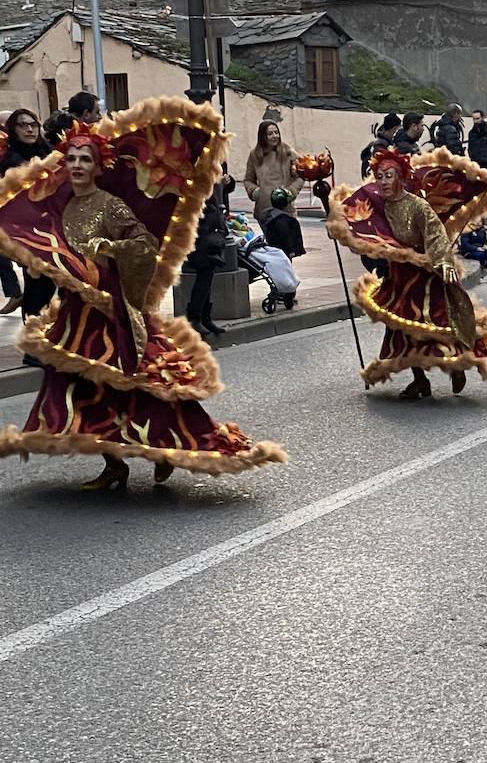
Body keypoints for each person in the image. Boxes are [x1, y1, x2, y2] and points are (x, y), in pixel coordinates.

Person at [0, 107, 286, 487]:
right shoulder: (63, 204)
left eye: (86, 159)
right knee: (77, 384)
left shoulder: (109, 205)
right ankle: (113, 464)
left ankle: (165, 447)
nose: (78, 165)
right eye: (72, 159)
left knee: (141, 383)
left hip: (113, 307)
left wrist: (110, 247)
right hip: (77, 311)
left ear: (98, 165)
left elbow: (143, 243)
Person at [326, 148, 487, 398]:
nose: (384, 181)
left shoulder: (418, 206)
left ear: (400, 177)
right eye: (379, 176)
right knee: (401, 329)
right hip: (399, 276)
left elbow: (436, 235)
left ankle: (457, 363)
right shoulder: (376, 203)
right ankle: (420, 380)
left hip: (426, 276)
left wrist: (444, 263)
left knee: (437, 325)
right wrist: (325, 200)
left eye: (389, 176)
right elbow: (354, 224)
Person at [0, 109, 55, 318]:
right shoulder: (12, 161)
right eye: (23, 125)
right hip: (28, 234)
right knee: (38, 287)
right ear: (13, 130)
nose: (30, 129)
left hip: (52, 229)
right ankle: (34, 339)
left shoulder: (46, 151)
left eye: (33, 124)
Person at [184, 191, 229, 338]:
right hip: (200, 239)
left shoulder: (209, 186)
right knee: (204, 278)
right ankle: (195, 317)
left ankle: (204, 317)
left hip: (208, 238)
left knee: (207, 277)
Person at [244, 121, 298, 222]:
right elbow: (248, 180)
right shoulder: (255, 154)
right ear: (262, 136)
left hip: (286, 210)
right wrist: (255, 192)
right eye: (270, 134)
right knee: (271, 238)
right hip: (264, 210)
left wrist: (291, 192)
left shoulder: (288, 152)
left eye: (276, 132)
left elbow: (300, 175)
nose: (275, 136)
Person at [263, 187, 306, 259]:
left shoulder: (273, 216)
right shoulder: (281, 219)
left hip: (279, 251)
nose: (291, 204)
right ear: (285, 204)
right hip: (283, 251)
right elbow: (285, 235)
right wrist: (290, 250)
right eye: (289, 203)